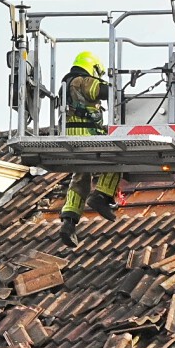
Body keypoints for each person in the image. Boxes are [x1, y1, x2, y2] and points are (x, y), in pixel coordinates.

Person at [57, 50, 121, 248]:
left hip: (71, 139)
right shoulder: (81, 81)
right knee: (118, 158)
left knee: (80, 178)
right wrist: (115, 87)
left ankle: (69, 221)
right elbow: (101, 90)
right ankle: (101, 195)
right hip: (87, 136)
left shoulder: (65, 85)